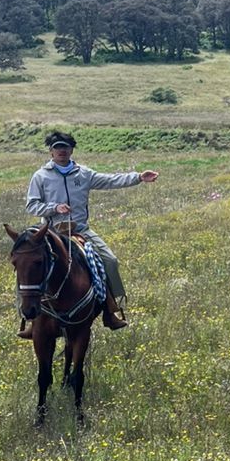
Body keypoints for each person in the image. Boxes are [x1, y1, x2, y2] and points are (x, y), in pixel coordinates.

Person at [21, 131, 158, 334]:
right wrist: (53, 208)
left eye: (65, 147)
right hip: (51, 232)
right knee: (27, 265)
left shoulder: (84, 174)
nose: (61, 151)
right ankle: (29, 320)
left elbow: (110, 180)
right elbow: (32, 205)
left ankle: (111, 310)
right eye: (57, 147)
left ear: (71, 150)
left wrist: (138, 177)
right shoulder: (40, 176)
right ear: (51, 151)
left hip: (80, 230)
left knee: (110, 261)